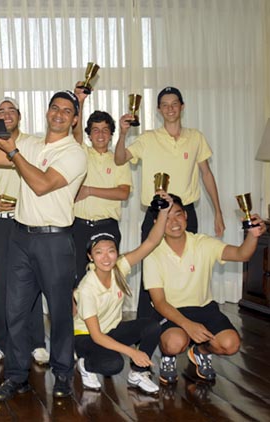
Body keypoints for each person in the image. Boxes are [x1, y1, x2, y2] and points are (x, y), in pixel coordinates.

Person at [0, 90, 87, 400]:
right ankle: (16, 376)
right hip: (21, 236)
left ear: (74, 119)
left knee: (58, 312)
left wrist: (14, 154)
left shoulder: (75, 152)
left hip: (55, 240)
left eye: (66, 111)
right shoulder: (30, 144)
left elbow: (40, 185)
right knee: (15, 311)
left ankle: (64, 374)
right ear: (47, 112)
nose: (58, 114)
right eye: (55, 108)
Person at [114, 86, 225, 318]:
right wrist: (123, 133)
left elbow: (206, 174)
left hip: (184, 215)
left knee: (188, 273)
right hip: (155, 214)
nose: (170, 108)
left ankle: (186, 330)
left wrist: (218, 212)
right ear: (158, 110)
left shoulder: (196, 138)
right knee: (150, 271)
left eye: (174, 104)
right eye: (165, 105)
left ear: (182, 107)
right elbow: (120, 158)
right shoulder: (148, 139)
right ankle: (147, 332)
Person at [144, 194, 265, 385]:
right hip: (171, 311)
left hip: (204, 308)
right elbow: (159, 302)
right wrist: (187, 324)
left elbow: (242, 254)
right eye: (166, 218)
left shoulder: (203, 243)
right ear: (156, 222)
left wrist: (253, 235)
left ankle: (201, 352)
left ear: (185, 215)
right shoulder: (151, 253)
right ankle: (168, 357)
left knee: (230, 344)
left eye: (177, 215)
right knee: (174, 343)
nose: (174, 222)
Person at [74, 191, 172, 394]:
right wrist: (131, 352)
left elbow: (151, 243)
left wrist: (164, 212)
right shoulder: (87, 288)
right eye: (98, 252)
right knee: (113, 365)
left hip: (111, 330)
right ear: (90, 256)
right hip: (86, 338)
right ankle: (85, 364)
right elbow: (97, 336)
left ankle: (138, 373)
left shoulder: (119, 267)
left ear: (116, 252)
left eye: (110, 250)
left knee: (152, 325)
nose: (106, 257)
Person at [0, 97, 49, 367]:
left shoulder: (33, 144)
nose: (7, 114)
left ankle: (37, 343)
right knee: (2, 285)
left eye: (12, 110)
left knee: (31, 283)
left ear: (19, 116)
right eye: (1, 111)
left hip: (28, 221)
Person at [71, 107, 132, 285]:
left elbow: (123, 192)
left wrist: (89, 190)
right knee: (77, 279)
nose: (100, 135)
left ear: (111, 134)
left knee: (107, 279)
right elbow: (75, 132)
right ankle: (80, 314)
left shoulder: (119, 160)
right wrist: (80, 102)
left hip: (107, 226)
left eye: (105, 130)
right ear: (89, 135)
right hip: (78, 227)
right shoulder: (80, 153)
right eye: (95, 130)